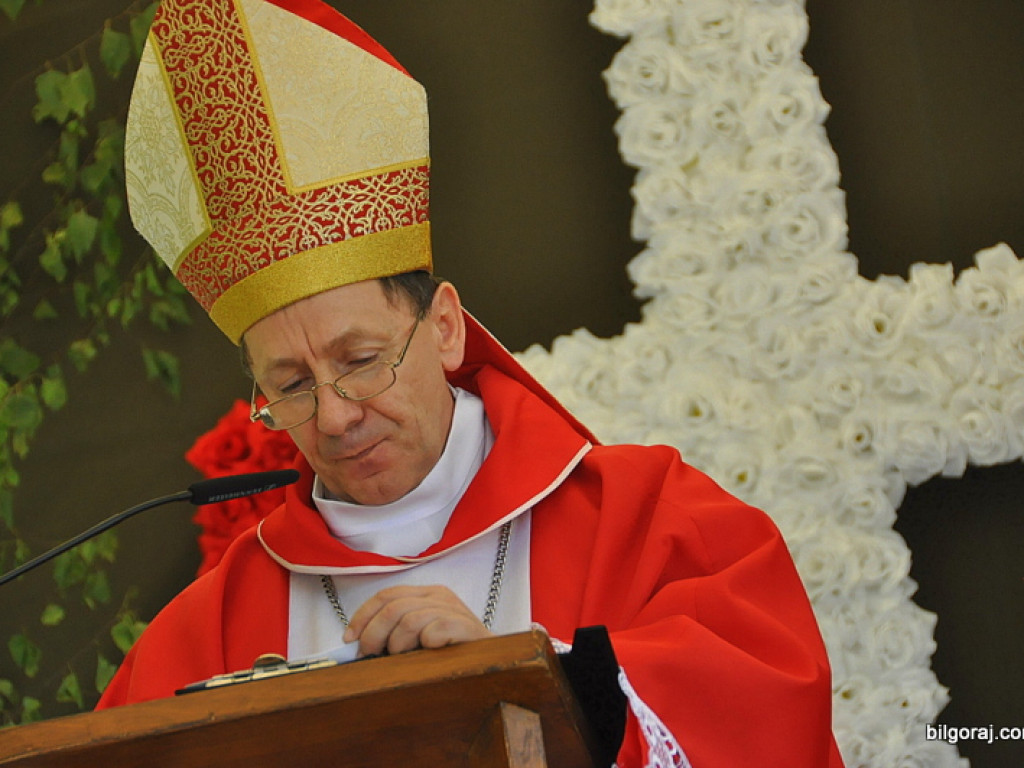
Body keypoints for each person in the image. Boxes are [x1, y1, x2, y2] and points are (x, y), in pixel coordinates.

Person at [98, 0, 845, 765]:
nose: (333, 417)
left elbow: (766, 698)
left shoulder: (642, 517)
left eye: (359, 361)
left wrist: (538, 677)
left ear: (446, 327)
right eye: (290, 385)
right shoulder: (212, 626)